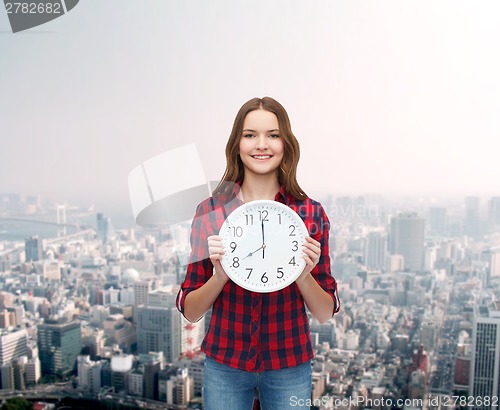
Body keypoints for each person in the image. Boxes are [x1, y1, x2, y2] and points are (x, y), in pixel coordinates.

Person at [176, 97, 340, 410]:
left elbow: (324, 312)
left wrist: (303, 275)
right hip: (226, 362)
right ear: (237, 143)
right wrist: (220, 276)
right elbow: (190, 309)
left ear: (286, 144)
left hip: (289, 362)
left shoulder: (309, 214)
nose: (261, 144)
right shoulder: (210, 212)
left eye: (273, 135)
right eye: (250, 134)